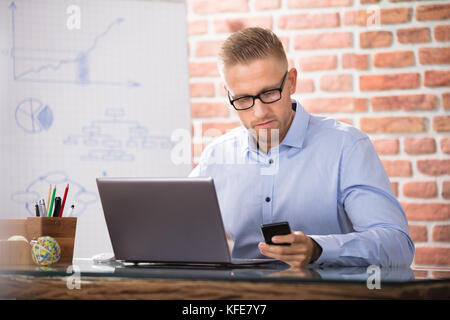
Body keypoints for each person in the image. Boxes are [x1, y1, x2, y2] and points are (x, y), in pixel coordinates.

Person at [189, 27, 414, 267]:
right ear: (228, 95)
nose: (260, 111)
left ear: (292, 82)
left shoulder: (347, 147)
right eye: (243, 99)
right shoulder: (216, 155)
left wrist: (319, 249)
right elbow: (176, 226)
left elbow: (397, 245)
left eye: (269, 93)